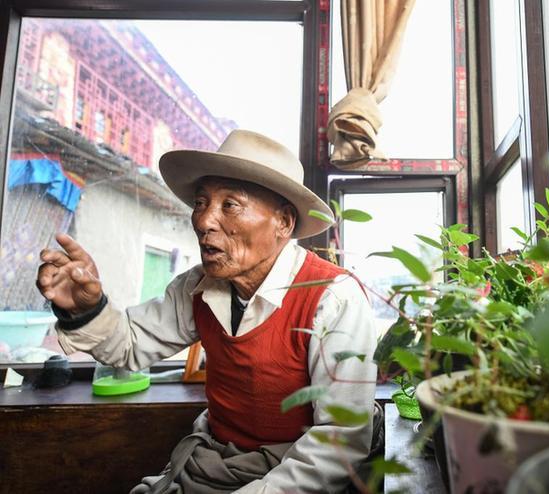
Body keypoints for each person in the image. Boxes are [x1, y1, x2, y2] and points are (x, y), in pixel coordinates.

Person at [36, 130, 378, 493]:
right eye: (201, 203)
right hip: (211, 462)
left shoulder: (334, 298)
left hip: (292, 471)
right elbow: (130, 346)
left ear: (284, 222)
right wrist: (86, 308)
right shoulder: (198, 287)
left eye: (230, 205)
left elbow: (338, 442)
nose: (203, 221)